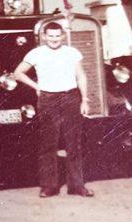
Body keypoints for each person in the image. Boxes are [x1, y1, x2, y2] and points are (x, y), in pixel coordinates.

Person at [13, 21, 94, 198]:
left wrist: (84, 99)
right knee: (48, 144)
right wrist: (37, 87)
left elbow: (81, 76)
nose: (54, 39)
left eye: (57, 36)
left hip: (71, 98)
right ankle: (49, 186)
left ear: (63, 36)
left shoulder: (71, 52)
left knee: (74, 143)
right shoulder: (36, 53)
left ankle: (77, 186)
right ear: (44, 36)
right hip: (48, 100)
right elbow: (18, 73)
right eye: (50, 36)